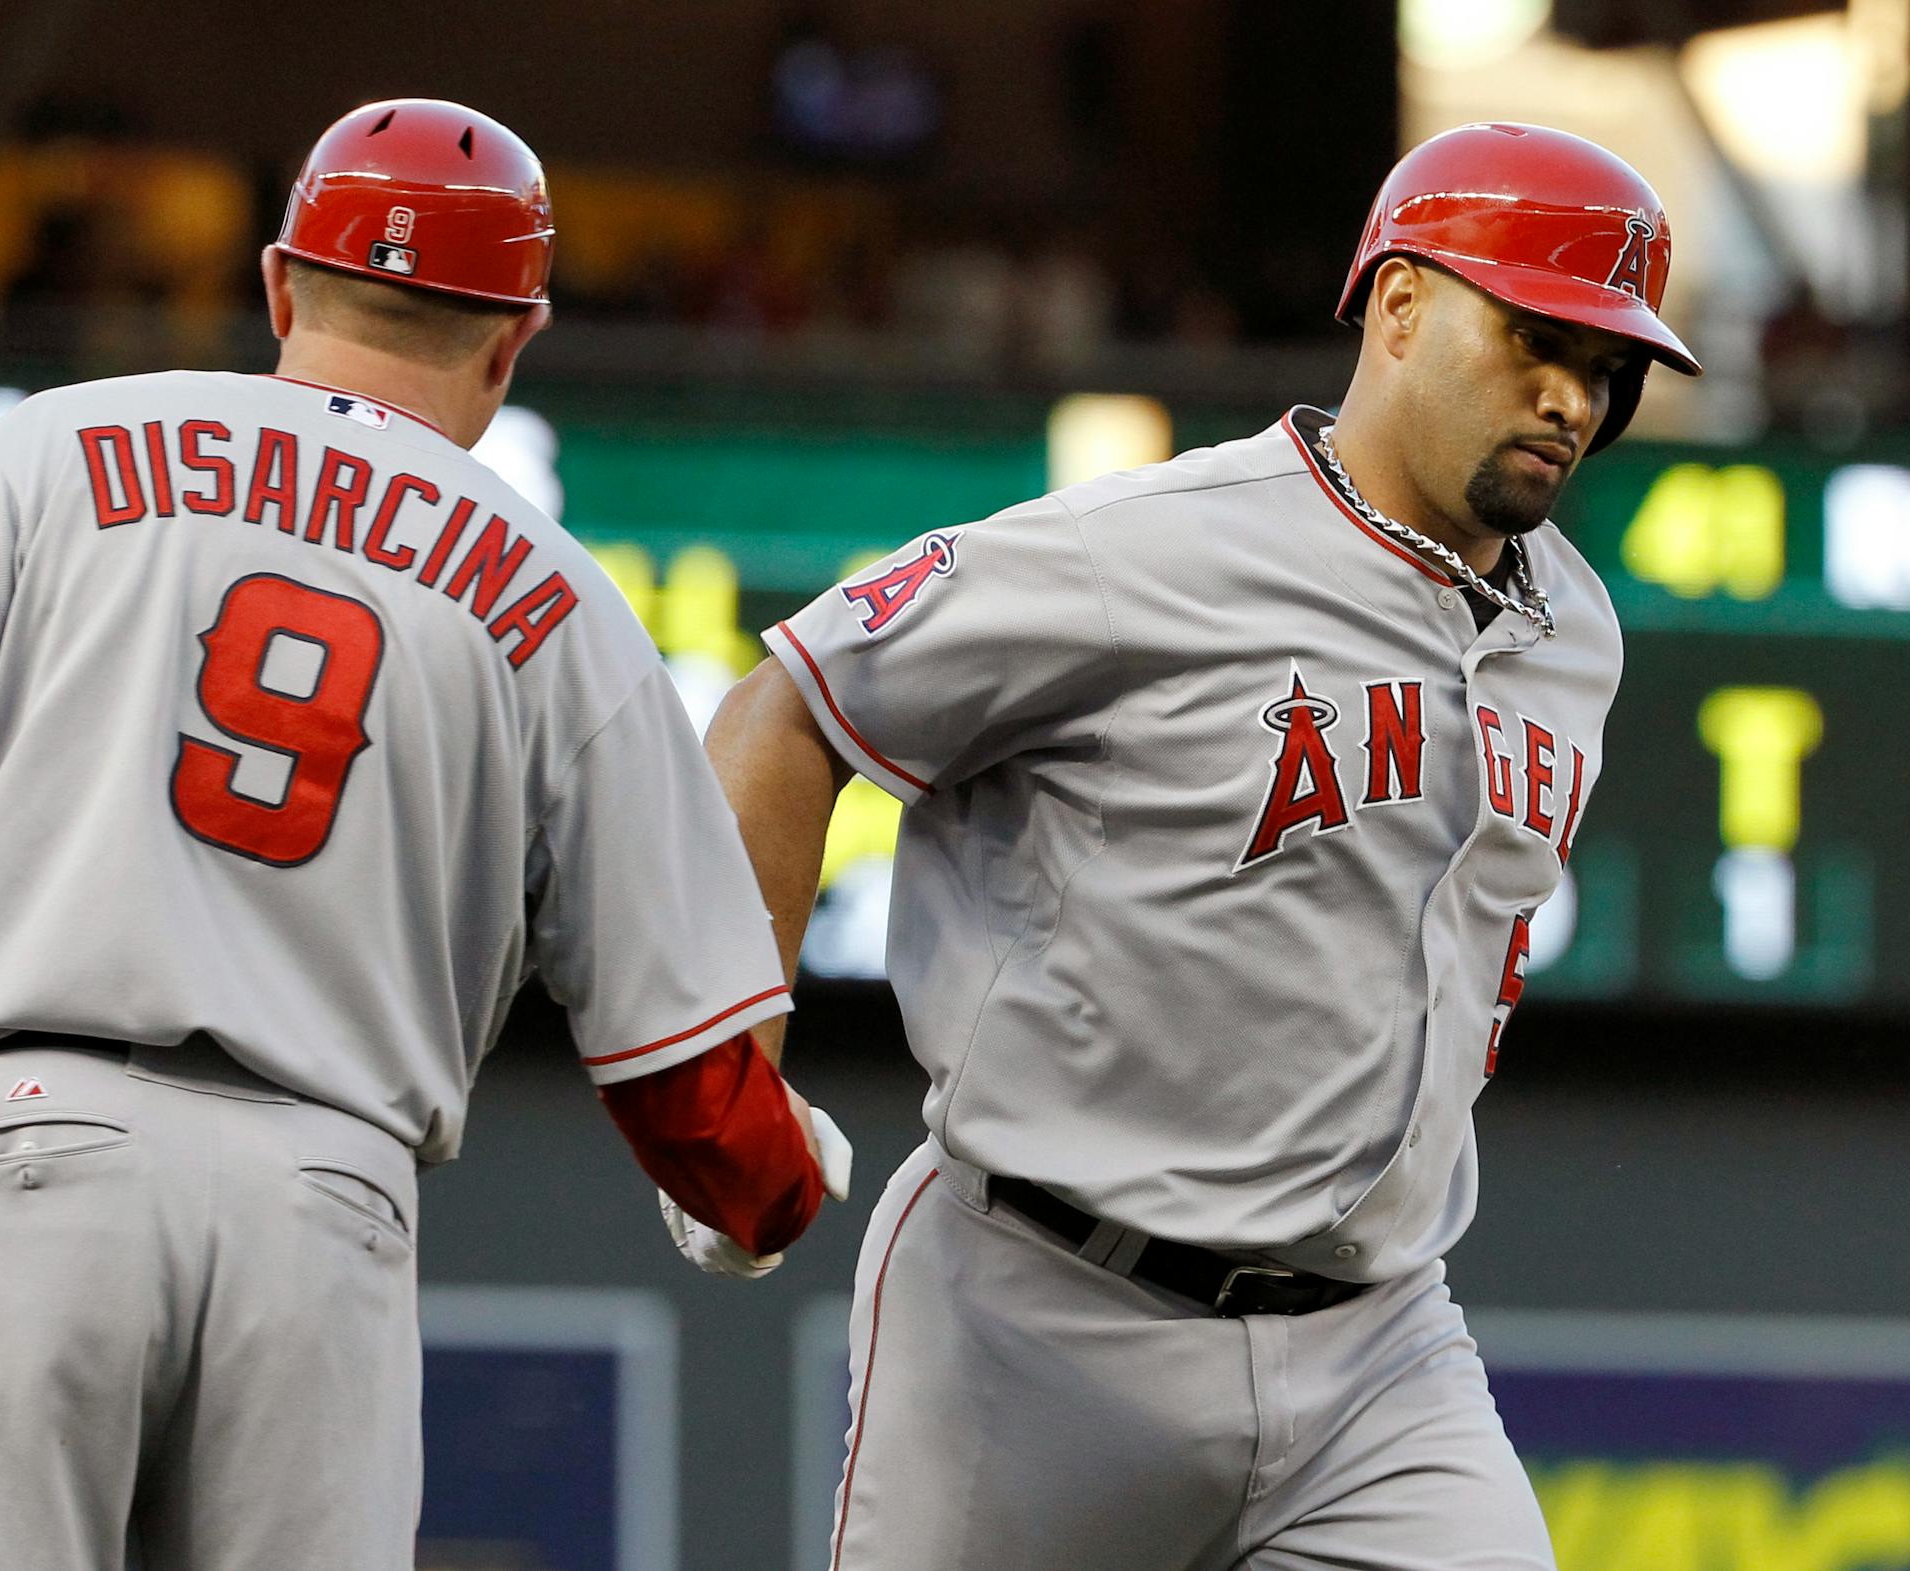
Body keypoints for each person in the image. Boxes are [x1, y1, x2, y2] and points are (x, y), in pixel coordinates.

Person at [0, 97, 844, 1571]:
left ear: (282, 283)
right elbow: (689, 1073)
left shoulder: (60, 451)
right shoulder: (563, 599)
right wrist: (772, 1191)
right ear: (514, 335)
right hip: (324, 1197)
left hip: (23, 1145)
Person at [702, 122, 1701, 1569]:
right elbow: (789, 706)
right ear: (1402, 306)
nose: (1571, 395)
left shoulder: (1578, 631)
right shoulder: (1150, 551)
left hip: (1378, 1350)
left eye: (1607, 368)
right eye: (1536, 337)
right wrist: (720, 1080)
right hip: (1039, 1313)